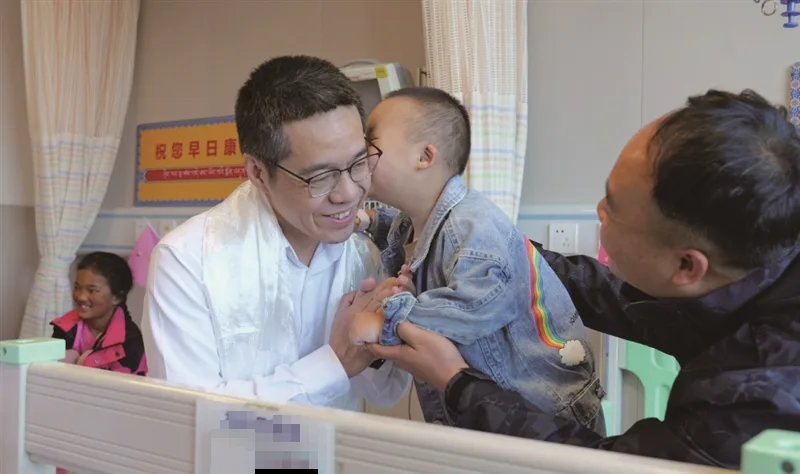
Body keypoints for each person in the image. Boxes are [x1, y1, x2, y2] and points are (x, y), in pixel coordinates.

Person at [369, 89, 800, 469]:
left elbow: (603, 466)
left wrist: (459, 383)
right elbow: (614, 295)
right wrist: (499, 249)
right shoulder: (753, 258)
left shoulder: (757, 400)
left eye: (613, 208)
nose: (599, 209)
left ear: (688, 267)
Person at [141, 55, 410, 411]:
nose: (348, 193)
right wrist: (334, 363)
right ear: (258, 172)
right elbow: (189, 416)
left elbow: (386, 393)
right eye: (320, 177)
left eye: (359, 163)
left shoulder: (362, 256)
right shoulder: (188, 261)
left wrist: (382, 335)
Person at [349, 87, 604, 432]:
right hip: (495, 414)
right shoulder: (415, 220)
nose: (360, 155)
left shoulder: (474, 226)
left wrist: (385, 320)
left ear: (424, 156)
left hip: (547, 417)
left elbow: (477, 305)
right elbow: (401, 231)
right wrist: (366, 220)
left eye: (371, 144)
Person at [52, 252, 147, 376]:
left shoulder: (129, 342)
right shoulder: (64, 327)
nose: (81, 297)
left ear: (117, 297)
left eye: (92, 290)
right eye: (77, 288)